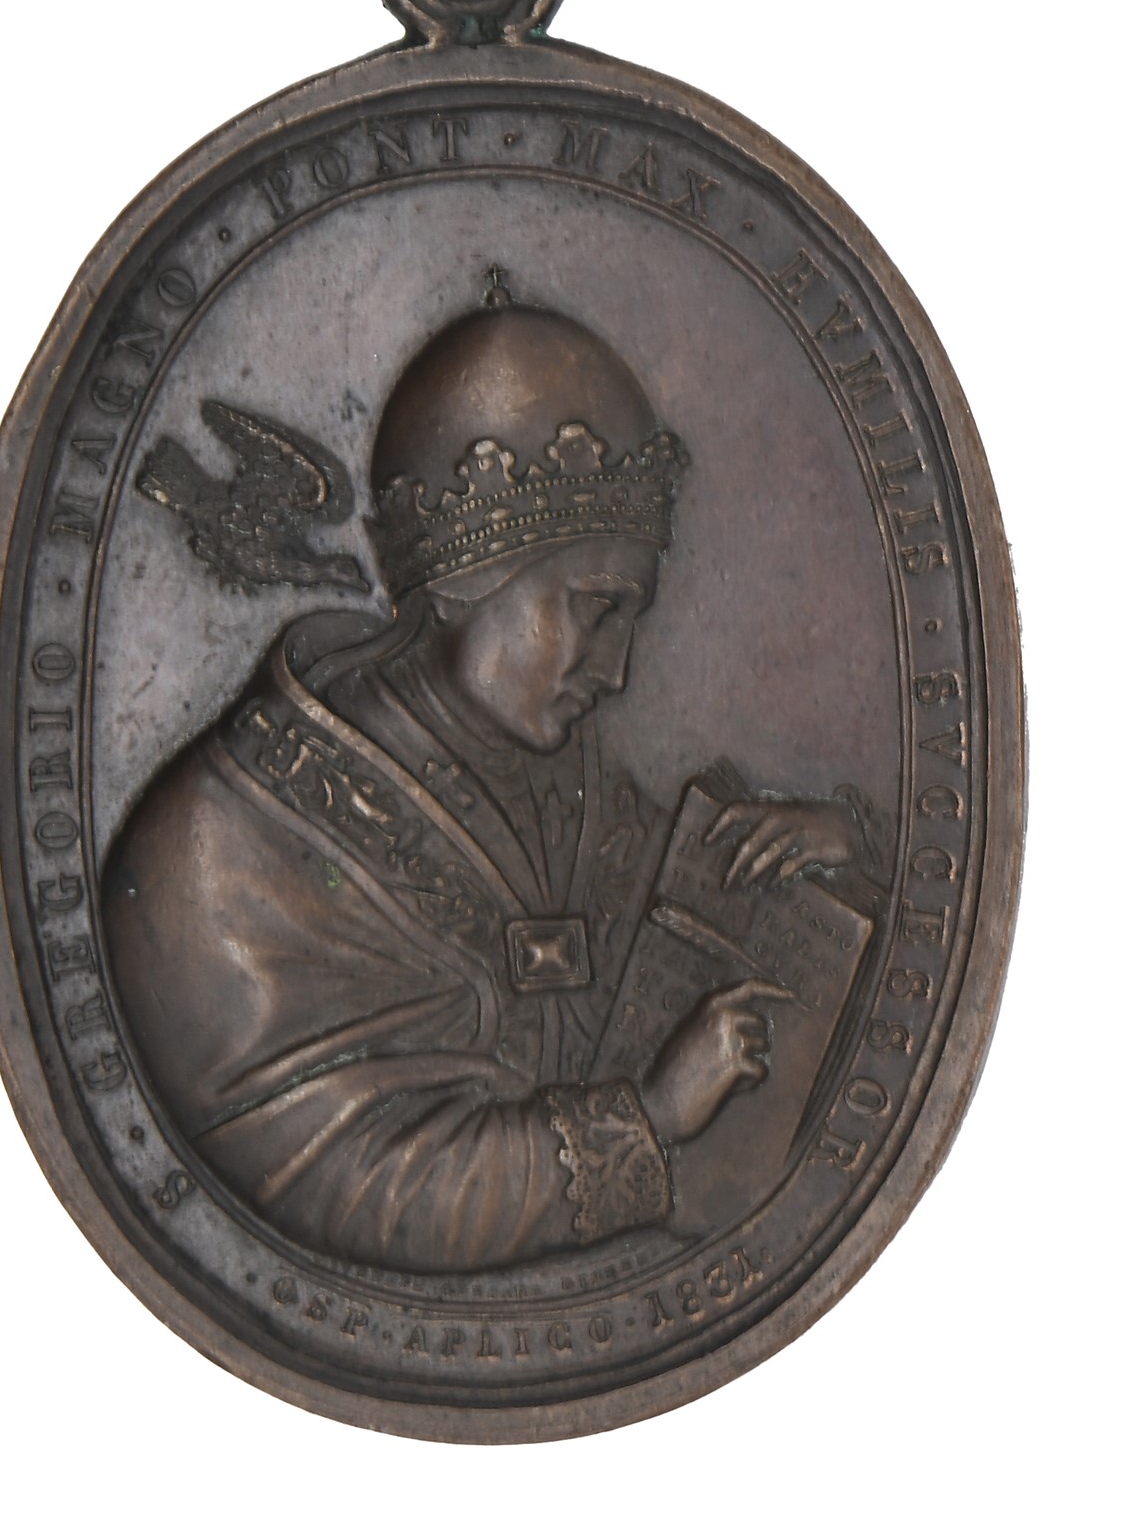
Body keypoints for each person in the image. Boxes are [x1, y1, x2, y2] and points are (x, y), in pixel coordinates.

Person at [103, 294, 879, 1272]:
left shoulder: (562, 786)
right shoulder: (220, 850)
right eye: (595, 609)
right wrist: (647, 1119)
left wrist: (838, 855)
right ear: (471, 573)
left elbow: (685, 915)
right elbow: (334, 1181)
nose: (618, 672)